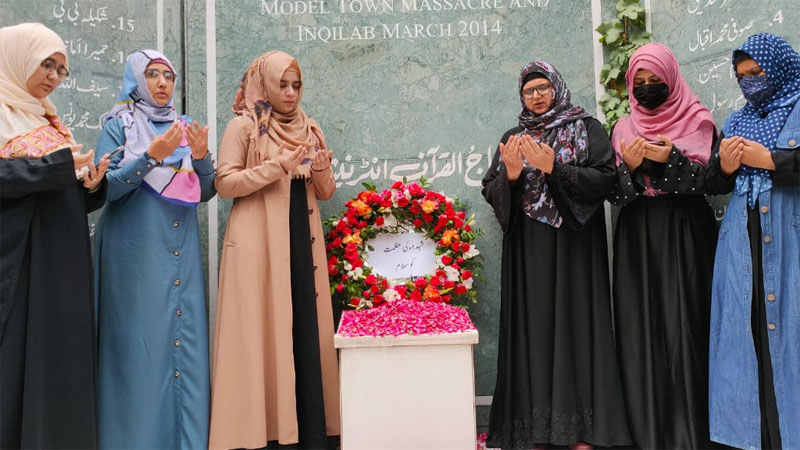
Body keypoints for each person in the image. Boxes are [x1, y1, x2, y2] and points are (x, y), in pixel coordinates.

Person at [482, 60, 630, 449]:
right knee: (534, 331)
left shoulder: (587, 128)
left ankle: (582, 431)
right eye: (528, 91)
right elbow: (491, 187)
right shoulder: (513, 136)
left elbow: (605, 178)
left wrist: (555, 169)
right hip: (527, 249)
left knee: (576, 327)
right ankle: (535, 430)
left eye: (542, 88)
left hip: (574, 246)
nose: (535, 97)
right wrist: (510, 176)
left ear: (557, 87)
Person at [209, 51, 340, 450]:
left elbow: (326, 191)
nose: (290, 93)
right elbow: (224, 184)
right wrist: (277, 166)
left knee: (304, 329)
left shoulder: (310, 127)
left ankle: (311, 433)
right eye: (282, 84)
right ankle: (264, 435)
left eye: (296, 85)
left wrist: (318, 167)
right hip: (258, 246)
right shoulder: (243, 127)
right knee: (264, 332)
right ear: (262, 84)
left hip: (302, 239)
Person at [93, 49, 215, 449]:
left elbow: (205, 191)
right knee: (137, 349)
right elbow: (104, 189)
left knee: (184, 345)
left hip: (179, 249)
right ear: (136, 80)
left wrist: (201, 159)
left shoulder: (182, 128)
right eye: (153, 74)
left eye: (169, 76)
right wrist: (149, 158)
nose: (163, 83)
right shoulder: (118, 125)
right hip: (134, 256)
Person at [0, 22, 108, 448]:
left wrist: (89, 185)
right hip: (22, 268)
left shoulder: (47, 120)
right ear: (17, 58)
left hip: (60, 270)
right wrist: (56, 169)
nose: (54, 77)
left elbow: (55, 191)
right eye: (47, 64)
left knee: (57, 368)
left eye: (61, 69)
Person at [608, 43, 718, 449]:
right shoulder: (622, 129)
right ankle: (648, 434)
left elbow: (711, 183)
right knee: (642, 328)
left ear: (672, 79)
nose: (649, 88)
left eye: (656, 81)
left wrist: (670, 158)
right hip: (637, 236)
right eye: (641, 82)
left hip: (686, 231)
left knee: (686, 322)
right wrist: (632, 169)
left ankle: (693, 434)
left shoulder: (699, 121)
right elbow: (614, 195)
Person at [706, 33, 800, 450]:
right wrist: (725, 167)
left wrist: (773, 160)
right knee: (751, 334)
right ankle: (757, 437)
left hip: (788, 238)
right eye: (742, 76)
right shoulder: (736, 120)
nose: (750, 83)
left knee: (790, 333)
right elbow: (715, 178)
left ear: (778, 68)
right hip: (743, 244)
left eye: (758, 73)